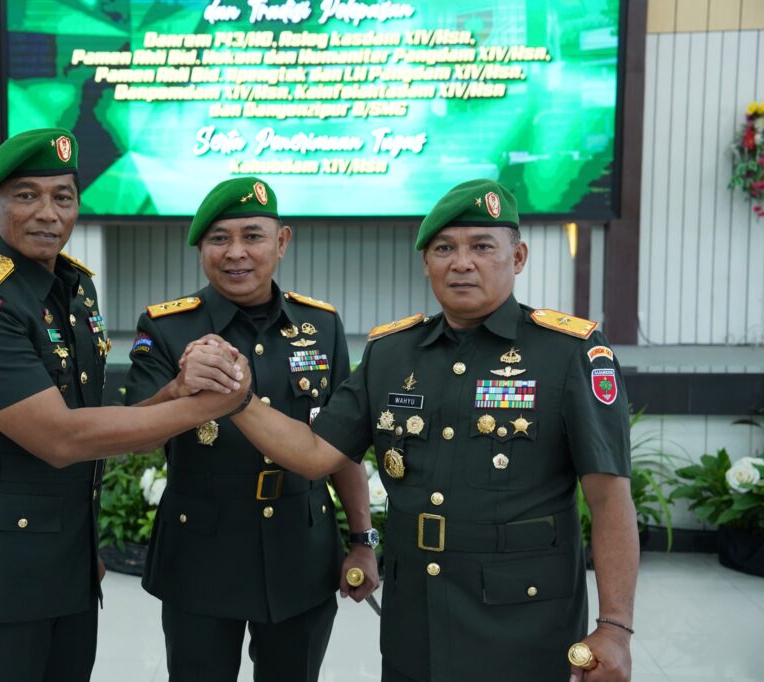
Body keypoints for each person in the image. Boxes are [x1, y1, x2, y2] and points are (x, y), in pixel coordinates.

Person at [224, 179, 638, 681]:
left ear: (518, 257)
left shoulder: (569, 353)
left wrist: (615, 627)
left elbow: (609, 498)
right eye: (444, 249)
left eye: (481, 247)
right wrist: (238, 398)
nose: (461, 263)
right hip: (415, 615)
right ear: (426, 262)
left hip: (525, 623)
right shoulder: (391, 353)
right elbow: (314, 453)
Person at [0, 128, 248, 682]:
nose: (48, 213)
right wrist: (212, 405)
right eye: (26, 195)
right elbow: (61, 438)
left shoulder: (74, 290)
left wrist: (177, 391)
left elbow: (103, 425)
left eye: (63, 196)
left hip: (69, 568)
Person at [124, 176, 380, 681]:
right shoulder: (167, 327)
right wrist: (177, 389)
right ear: (201, 248)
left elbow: (342, 445)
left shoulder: (321, 325)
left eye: (253, 236)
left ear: (281, 242)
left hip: (300, 550)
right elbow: (137, 437)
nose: (235, 252)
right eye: (219, 238)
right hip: (200, 551)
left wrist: (362, 539)